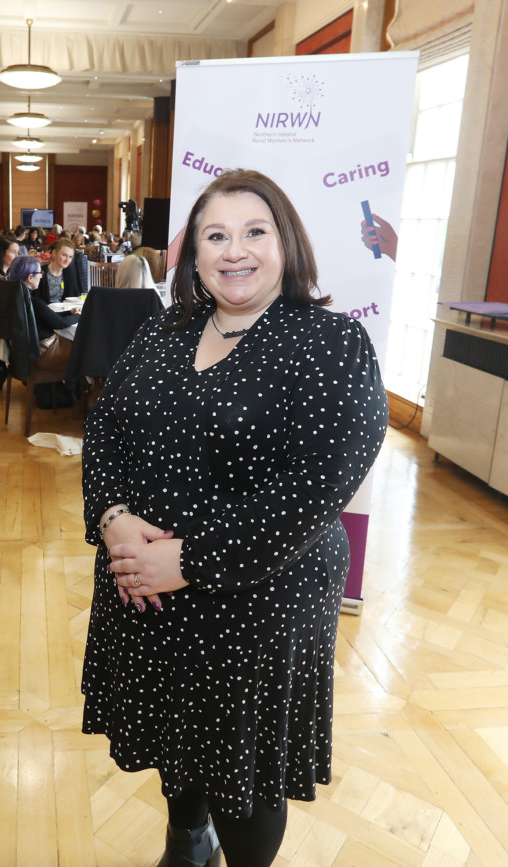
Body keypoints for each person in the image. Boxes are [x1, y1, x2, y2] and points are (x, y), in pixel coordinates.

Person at [80, 169, 388, 867]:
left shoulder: (330, 344)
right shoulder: (166, 329)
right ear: (193, 254)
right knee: (175, 732)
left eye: (255, 232)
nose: (234, 250)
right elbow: (105, 429)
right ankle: (187, 843)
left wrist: (185, 560)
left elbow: (315, 489)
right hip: (149, 590)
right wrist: (114, 517)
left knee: (242, 770)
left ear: (287, 244)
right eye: (215, 235)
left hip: (258, 600)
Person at [9, 254, 79, 373]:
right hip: (43, 353)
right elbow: (60, 323)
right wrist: (80, 316)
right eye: (39, 273)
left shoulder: (14, 299)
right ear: (30, 277)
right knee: (83, 348)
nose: (41, 276)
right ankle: (73, 389)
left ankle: (52, 387)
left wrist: (70, 312)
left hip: (19, 353)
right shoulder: (33, 303)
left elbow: (47, 317)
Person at [39, 238, 75, 304]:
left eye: (70, 257)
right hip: (45, 312)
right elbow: (37, 302)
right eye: (64, 255)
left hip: (66, 311)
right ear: (54, 253)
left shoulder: (69, 273)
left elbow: (73, 297)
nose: (67, 260)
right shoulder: (41, 273)